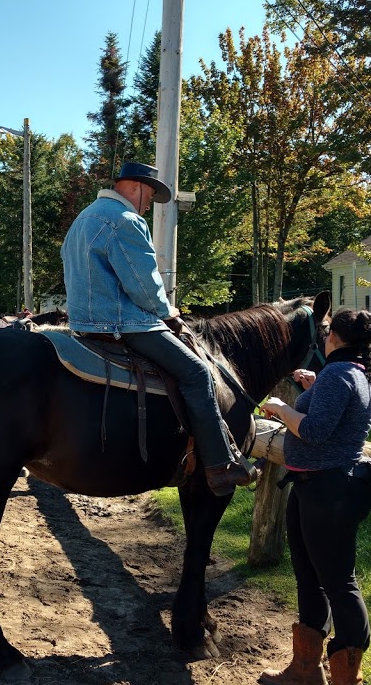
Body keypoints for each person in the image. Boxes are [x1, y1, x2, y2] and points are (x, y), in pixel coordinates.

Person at [60, 161, 256, 496]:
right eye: (149, 195)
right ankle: (220, 465)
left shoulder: (84, 218)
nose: (149, 204)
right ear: (134, 187)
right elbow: (143, 286)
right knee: (197, 372)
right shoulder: (125, 221)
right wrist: (169, 314)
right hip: (124, 323)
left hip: (84, 324)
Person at [258, 308, 371, 685]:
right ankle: (305, 670)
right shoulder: (350, 374)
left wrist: (280, 409)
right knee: (309, 576)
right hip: (315, 488)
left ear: (333, 339)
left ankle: (347, 677)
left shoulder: (339, 374)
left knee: (339, 583)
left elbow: (312, 431)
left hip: (328, 492)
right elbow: (339, 417)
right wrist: (315, 389)